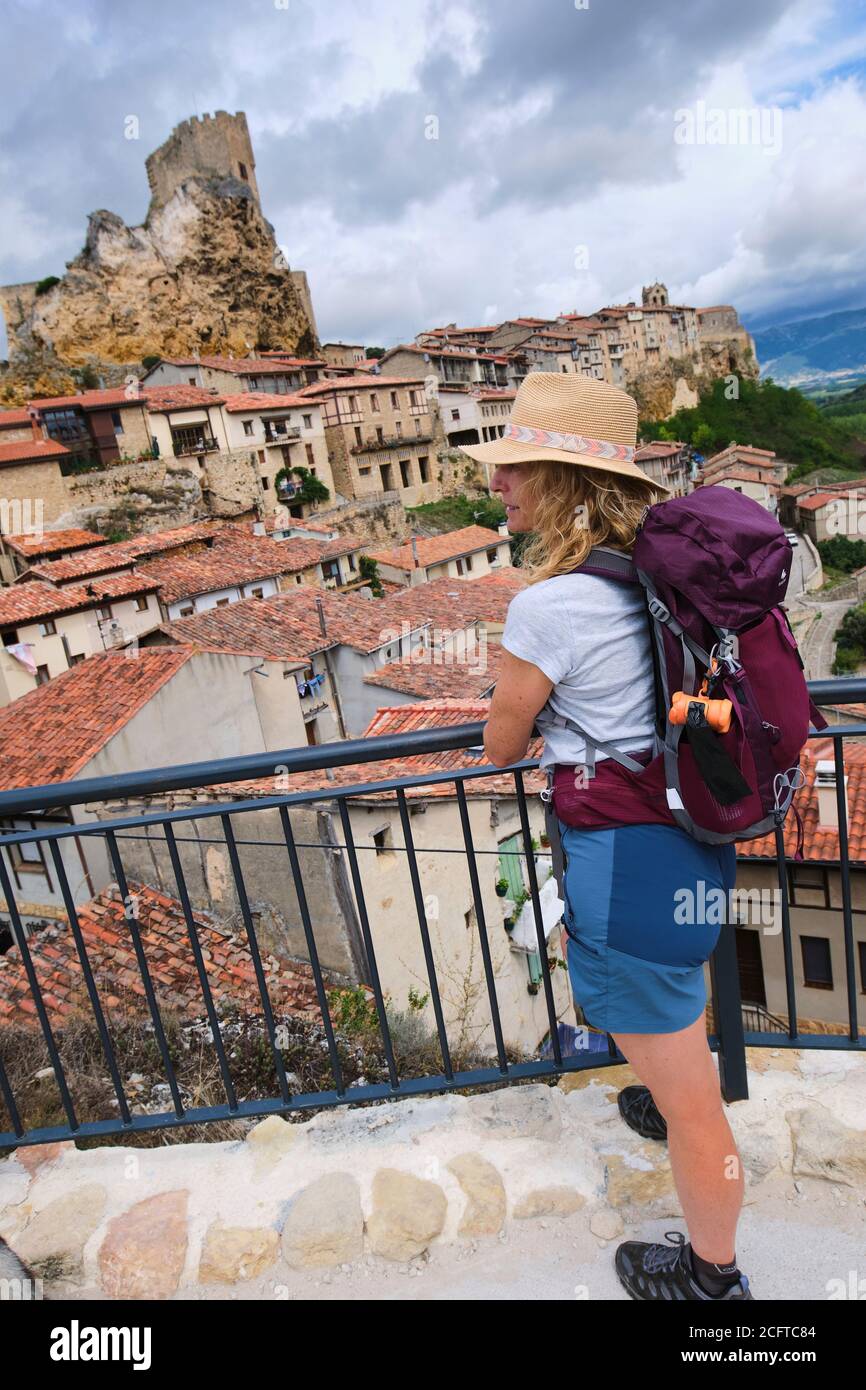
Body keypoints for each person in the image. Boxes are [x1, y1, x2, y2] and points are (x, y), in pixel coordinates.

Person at [460, 373, 753, 1302]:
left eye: (514, 471)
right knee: (676, 1016)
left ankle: (716, 1282)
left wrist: (534, 714)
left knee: (695, 1101)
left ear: (560, 482)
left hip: (625, 860)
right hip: (693, 837)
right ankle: (664, 1091)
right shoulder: (675, 579)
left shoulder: (548, 607)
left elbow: (501, 741)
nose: (498, 487)